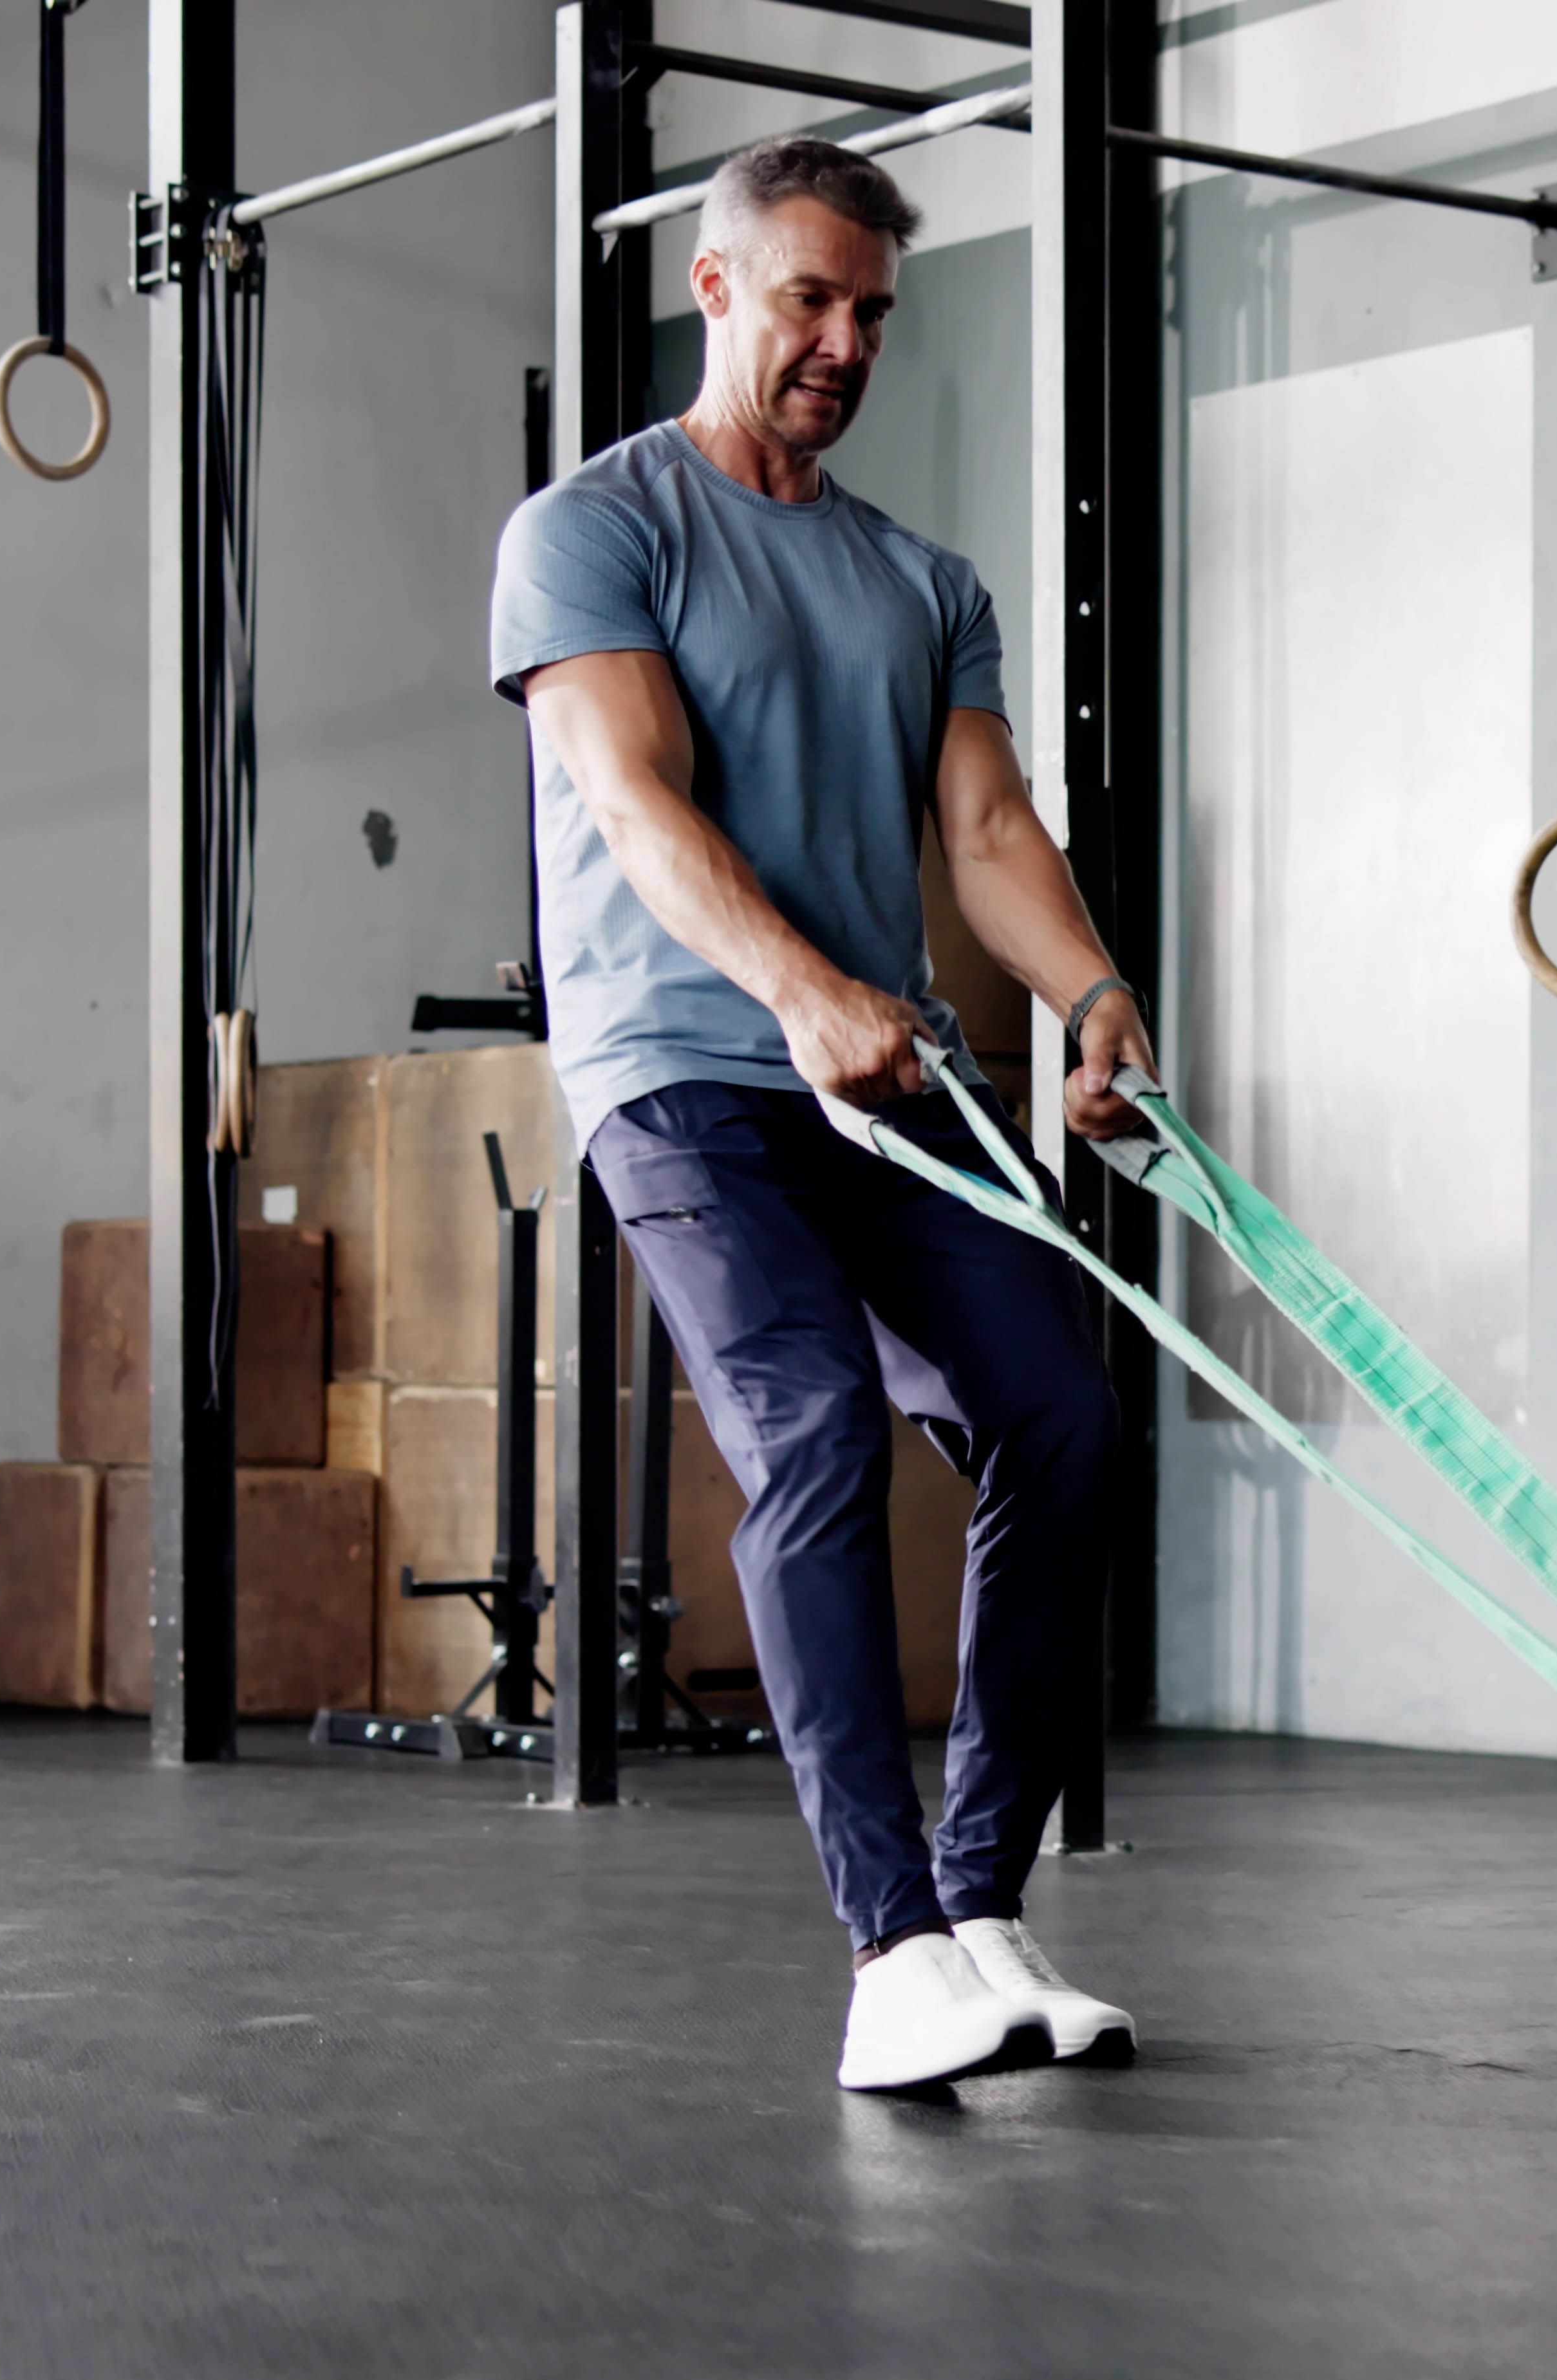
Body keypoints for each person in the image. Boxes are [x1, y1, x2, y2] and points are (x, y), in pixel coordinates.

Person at [492, 135, 1152, 2094]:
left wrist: (1093, 997)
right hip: (690, 1073)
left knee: (1062, 1413)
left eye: (872, 311)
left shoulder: (921, 583)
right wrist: (800, 991)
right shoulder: (593, 529)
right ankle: (889, 1951)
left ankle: (980, 1911)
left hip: (890, 1072)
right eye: (810, 300)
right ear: (715, 290)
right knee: (813, 1425)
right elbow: (633, 802)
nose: (846, 343)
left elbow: (990, 828)